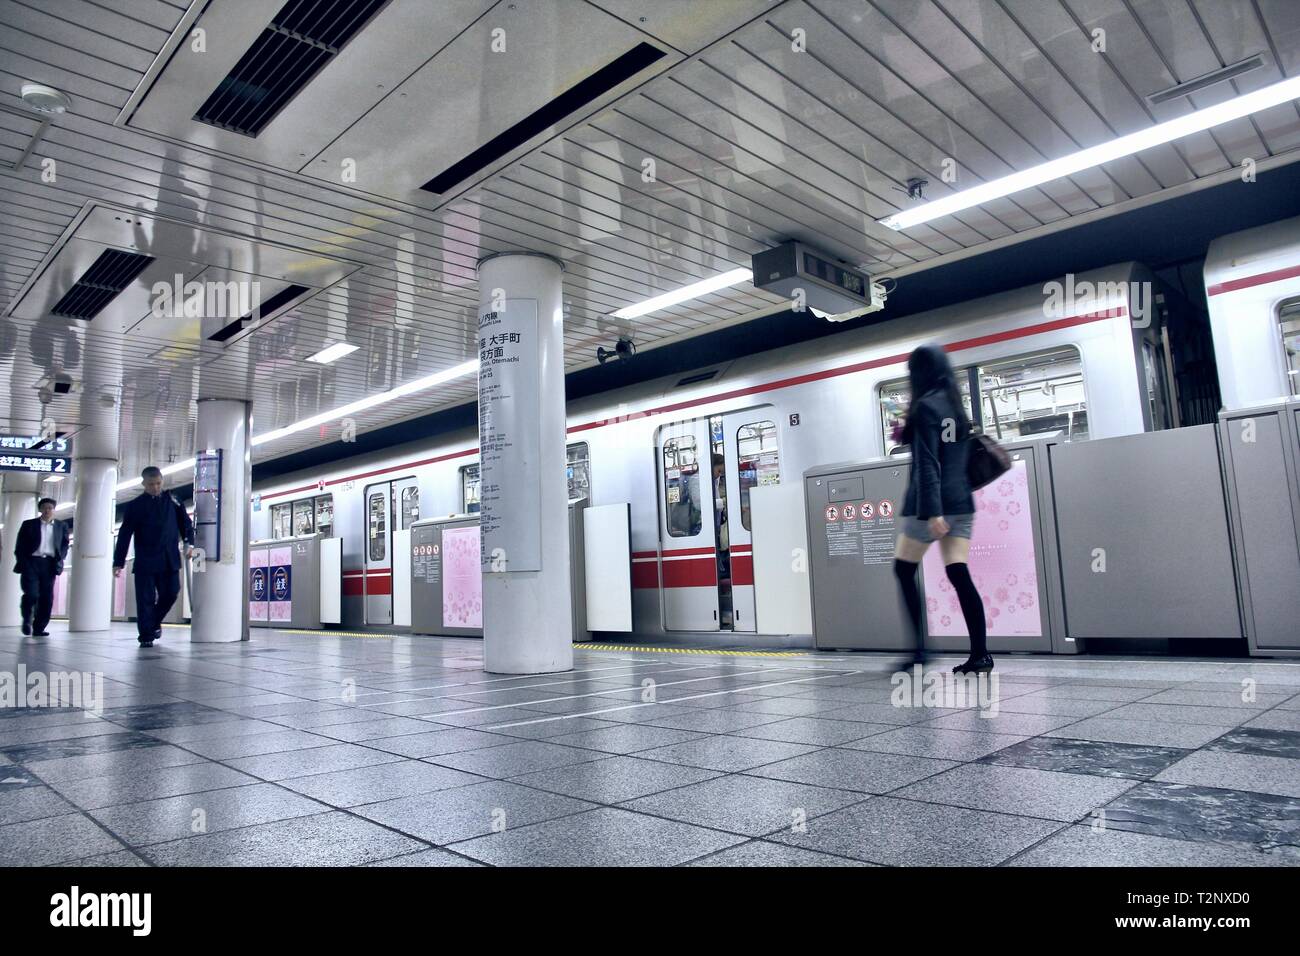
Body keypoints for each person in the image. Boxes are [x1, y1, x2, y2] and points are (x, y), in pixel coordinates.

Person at [892, 344, 992, 674]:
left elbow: (927, 463)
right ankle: (980, 655)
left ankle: (920, 651)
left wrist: (933, 512)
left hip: (933, 506)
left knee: (904, 570)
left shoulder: (924, 407)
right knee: (958, 572)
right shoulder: (955, 405)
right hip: (963, 502)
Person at [112, 466, 193, 647]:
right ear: (143, 484)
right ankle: (146, 636)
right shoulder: (135, 506)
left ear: (162, 481)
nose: (155, 487)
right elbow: (125, 534)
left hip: (169, 558)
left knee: (171, 593)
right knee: (145, 599)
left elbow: (185, 523)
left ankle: (154, 621)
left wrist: (190, 543)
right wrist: (118, 562)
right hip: (145, 560)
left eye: (158, 483)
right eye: (151, 484)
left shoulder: (173, 500)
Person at [12, 497, 70, 637]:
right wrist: (23, 562)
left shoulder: (61, 526)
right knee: (31, 594)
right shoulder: (28, 525)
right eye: (44, 507)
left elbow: (64, 544)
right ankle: (26, 619)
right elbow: (19, 546)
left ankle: (39, 627)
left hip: (49, 564)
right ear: (40, 509)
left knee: (46, 598)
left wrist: (60, 558)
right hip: (31, 562)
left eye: (50, 508)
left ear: (53, 510)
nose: (47, 510)